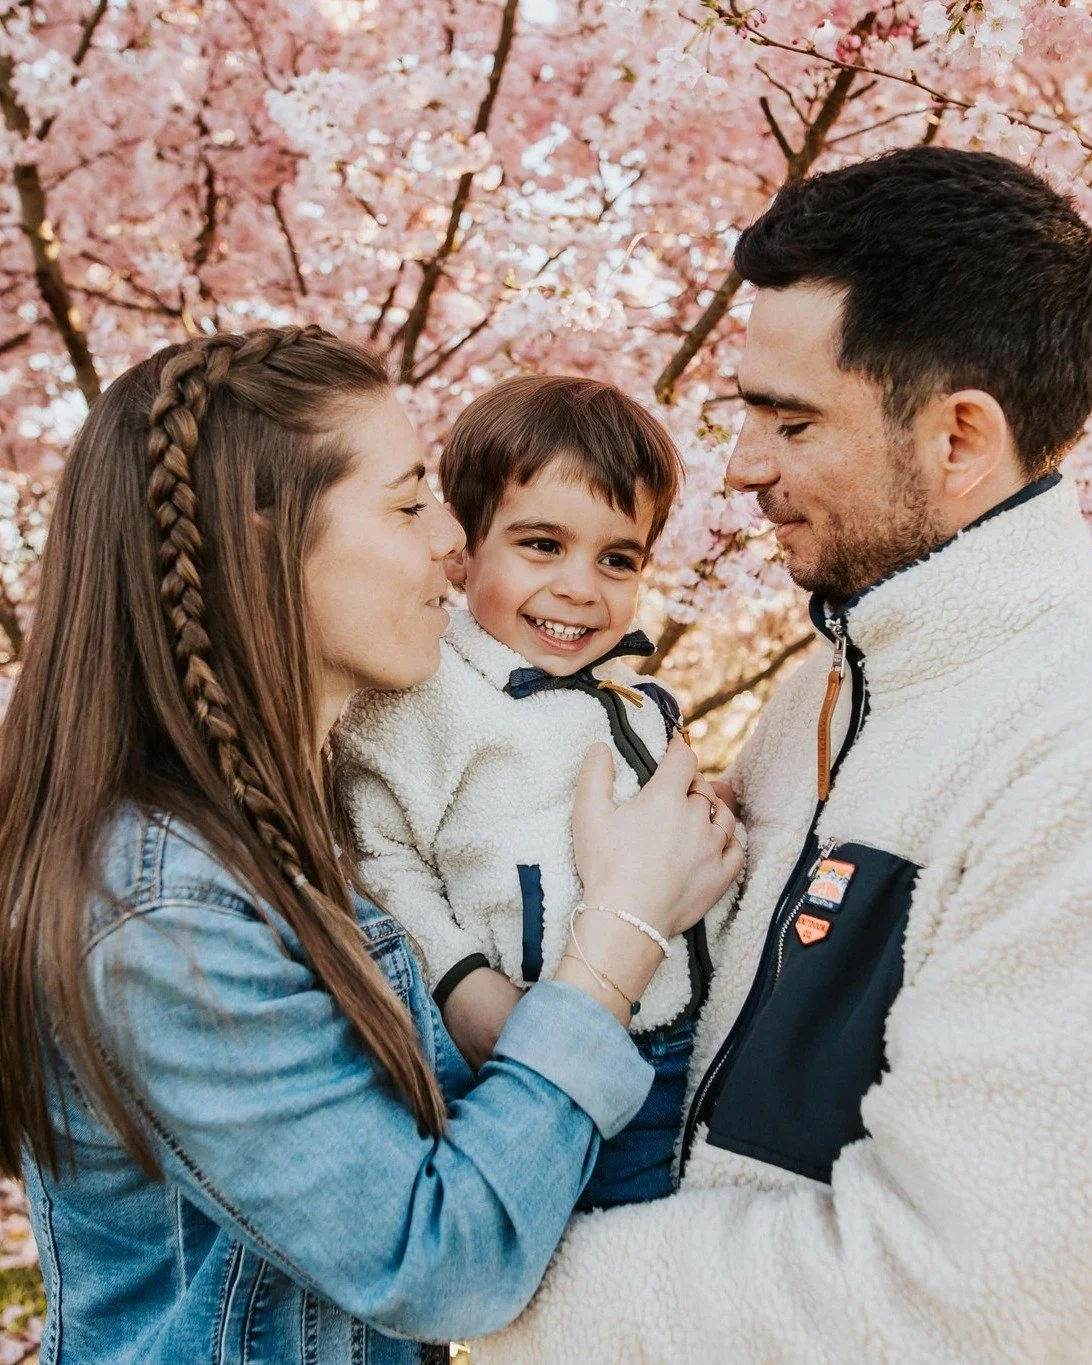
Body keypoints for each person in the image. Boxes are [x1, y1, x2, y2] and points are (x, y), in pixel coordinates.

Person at [0, 326, 743, 1364]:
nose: (452, 539)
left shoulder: (312, 829)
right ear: (262, 540)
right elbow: (436, 1260)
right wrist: (617, 940)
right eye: (406, 505)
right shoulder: (165, 913)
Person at [473, 147, 1092, 1363]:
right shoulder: (829, 682)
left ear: (961, 435)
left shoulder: (1061, 745)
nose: (742, 466)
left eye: (790, 420)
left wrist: (483, 1269)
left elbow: (971, 1292)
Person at [336, 376, 740, 1211]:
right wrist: (461, 982)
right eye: (542, 546)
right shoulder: (426, 695)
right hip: (555, 1045)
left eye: (616, 559)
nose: (580, 587)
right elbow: (377, 855)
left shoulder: (631, 694)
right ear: (463, 550)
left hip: (700, 1043)